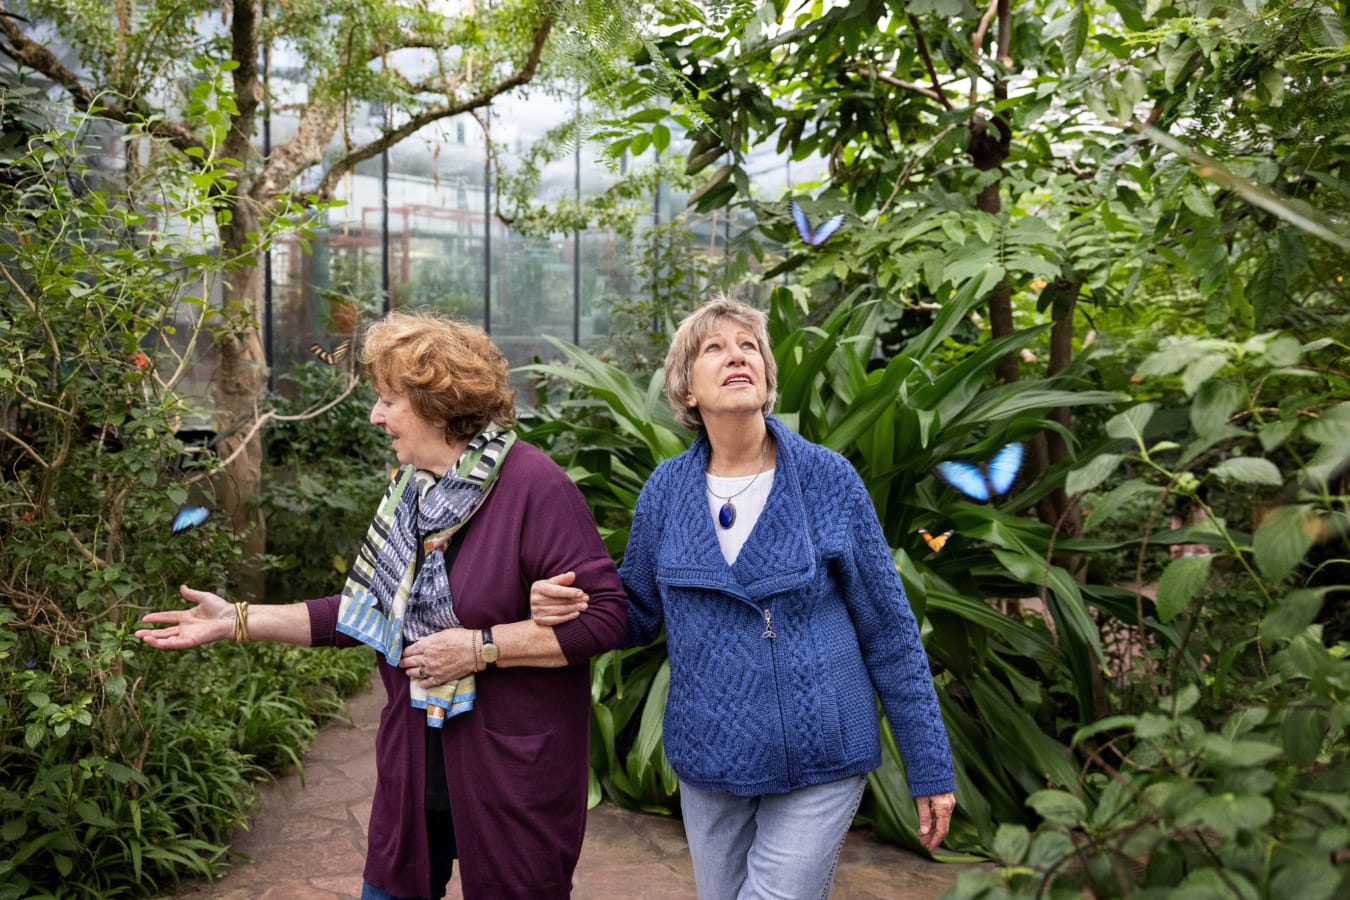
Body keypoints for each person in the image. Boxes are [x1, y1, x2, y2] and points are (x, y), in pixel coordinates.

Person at [137, 310, 628, 900]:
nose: (376, 415)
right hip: (415, 763)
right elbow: (362, 613)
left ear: (437, 404)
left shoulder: (535, 486)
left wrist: (480, 648)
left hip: (510, 772)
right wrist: (236, 619)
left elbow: (606, 617)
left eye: (388, 400)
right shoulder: (410, 492)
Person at [532, 295, 957, 899]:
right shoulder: (665, 492)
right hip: (710, 756)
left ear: (766, 376)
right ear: (686, 390)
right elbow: (636, 612)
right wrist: (573, 601)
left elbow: (890, 633)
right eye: (715, 348)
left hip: (821, 752)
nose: (737, 356)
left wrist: (929, 765)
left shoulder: (828, 480)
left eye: (749, 346)